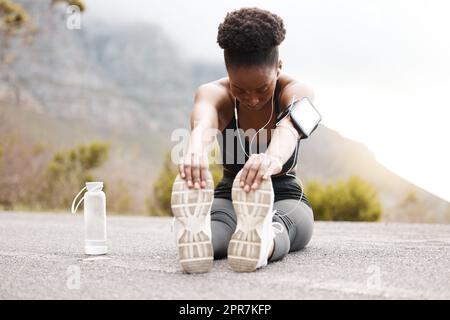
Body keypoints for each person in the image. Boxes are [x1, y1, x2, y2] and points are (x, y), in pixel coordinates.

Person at [171, 7, 315, 274]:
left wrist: (271, 159)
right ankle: (199, 239)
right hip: (228, 194)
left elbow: (290, 128)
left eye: (262, 88)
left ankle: (263, 243)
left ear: (279, 67)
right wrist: (195, 152)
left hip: (283, 194)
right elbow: (204, 122)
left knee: (292, 223)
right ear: (227, 72)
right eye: (240, 89)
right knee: (220, 225)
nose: (252, 98)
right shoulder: (213, 93)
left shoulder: (297, 91)